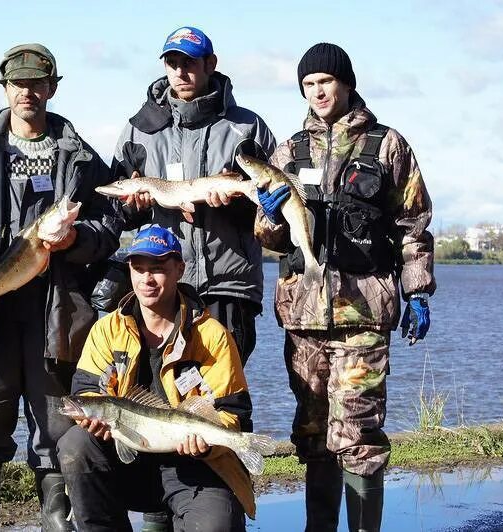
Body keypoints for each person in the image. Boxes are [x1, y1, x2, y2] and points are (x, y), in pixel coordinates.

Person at [0, 43, 120, 531]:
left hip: (56, 312)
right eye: (19, 85)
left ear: (52, 88)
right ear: (5, 89)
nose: (28, 93)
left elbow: (110, 224)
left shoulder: (78, 153)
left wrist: (77, 237)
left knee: (57, 426)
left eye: (38, 84)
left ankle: (55, 521)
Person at [254, 43, 436, 532]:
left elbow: (414, 225)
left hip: (364, 314)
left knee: (357, 435)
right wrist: (268, 219)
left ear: (347, 83)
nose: (317, 92)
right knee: (313, 436)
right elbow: (268, 236)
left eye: (325, 82)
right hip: (303, 318)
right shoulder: (289, 150)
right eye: (308, 84)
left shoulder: (387, 145)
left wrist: (417, 290)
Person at [57, 225, 256, 532]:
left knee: (217, 526)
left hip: (195, 467)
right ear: (130, 272)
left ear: (179, 269)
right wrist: (91, 421)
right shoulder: (106, 330)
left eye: (158, 269)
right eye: (138, 269)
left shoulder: (212, 335)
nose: (147, 279)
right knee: (75, 445)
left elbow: (235, 415)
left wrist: (206, 444)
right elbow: (86, 390)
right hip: (128, 465)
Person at [112, 25, 276, 367]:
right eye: (172, 63)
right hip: (165, 286)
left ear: (210, 64)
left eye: (189, 63)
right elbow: (117, 213)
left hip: (229, 285)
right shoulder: (138, 129)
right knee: (167, 391)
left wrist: (237, 209)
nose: (180, 71)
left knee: (223, 392)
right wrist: (134, 208)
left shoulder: (248, 128)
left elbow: (273, 212)